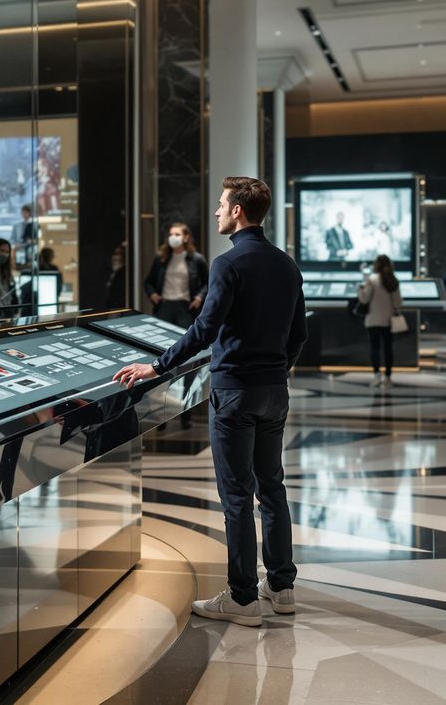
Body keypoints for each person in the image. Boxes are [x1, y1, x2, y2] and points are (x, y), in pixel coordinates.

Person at [114, 177, 306, 627]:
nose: (217, 211)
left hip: (235, 390)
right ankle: (281, 587)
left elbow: (204, 329)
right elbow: (299, 334)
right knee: (271, 488)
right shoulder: (286, 265)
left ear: (239, 211)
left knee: (237, 495)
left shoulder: (228, 263)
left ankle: (242, 598)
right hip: (274, 390)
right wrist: (277, 368)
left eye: (222, 205)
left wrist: (156, 367)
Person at [144, 222, 209, 329]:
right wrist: (152, 294)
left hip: (186, 307)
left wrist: (199, 297)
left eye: (177, 234)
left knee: (185, 338)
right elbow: (148, 282)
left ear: (186, 237)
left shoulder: (197, 259)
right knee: (161, 337)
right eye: (171, 234)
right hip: (164, 305)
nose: (173, 237)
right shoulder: (161, 258)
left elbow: (208, 283)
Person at [358, 255, 403, 388]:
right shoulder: (393, 280)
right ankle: (388, 377)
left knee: (375, 348)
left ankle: (377, 375)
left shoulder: (372, 279)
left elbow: (364, 299)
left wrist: (360, 289)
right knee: (388, 348)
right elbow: (398, 301)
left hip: (373, 319)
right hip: (389, 320)